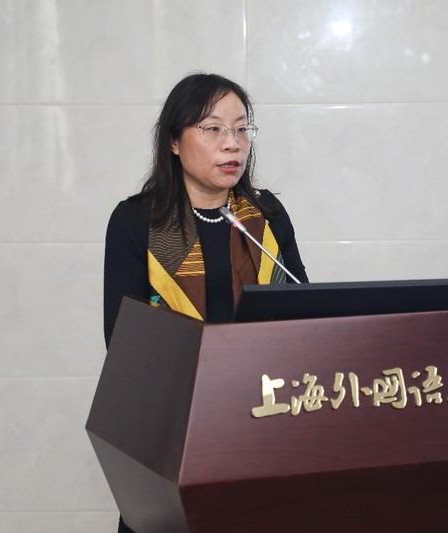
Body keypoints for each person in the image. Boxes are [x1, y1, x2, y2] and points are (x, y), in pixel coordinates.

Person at [102, 73, 308, 532]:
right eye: (213, 129)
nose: (232, 143)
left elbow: (302, 318)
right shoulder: (138, 221)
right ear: (174, 141)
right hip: (172, 431)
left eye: (241, 128)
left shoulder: (266, 218)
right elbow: (123, 341)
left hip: (261, 423)